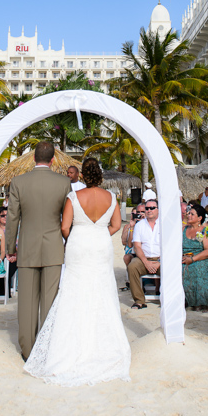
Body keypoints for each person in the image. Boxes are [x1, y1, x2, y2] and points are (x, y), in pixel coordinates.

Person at [24, 157, 130, 385]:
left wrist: (73, 237)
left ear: (82, 175)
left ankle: (70, 348)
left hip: (78, 245)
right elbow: (115, 225)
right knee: (101, 290)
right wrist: (100, 233)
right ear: (100, 175)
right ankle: (103, 347)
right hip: (101, 245)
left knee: (74, 290)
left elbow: (64, 226)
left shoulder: (73, 197)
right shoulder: (111, 197)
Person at [5, 142, 71, 361]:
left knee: (26, 302)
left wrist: (9, 247)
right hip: (53, 247)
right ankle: (47, 347)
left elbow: (12, 218)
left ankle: (28, 350)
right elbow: (68, 219)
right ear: (53, 160)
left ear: (34, 158)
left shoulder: (18, 182)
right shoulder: (63, 183)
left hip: (27, 247)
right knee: (50, 301)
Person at [128, 198, 161, 310]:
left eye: (152, 208)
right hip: (144, 258)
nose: (149, 210)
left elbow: (169, 246)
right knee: (132, 267)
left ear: (158, 209)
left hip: (161, 259)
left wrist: (160, 262)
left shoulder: (165, 224)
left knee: (171, 268)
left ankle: (167, 299)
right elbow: (137, 246)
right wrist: (146, 262)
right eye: (147, 208)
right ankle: (139, 300)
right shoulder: (140, 225)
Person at [119, 202, 145, 291]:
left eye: (142, 212)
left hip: (147, 253)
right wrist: (132, 227)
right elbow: (129, 244)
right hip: (135, 252)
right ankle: (131, 280)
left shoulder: (149, 224)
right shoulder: (131, 226)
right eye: (136, 213)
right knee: (127, 257)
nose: (139, 215)